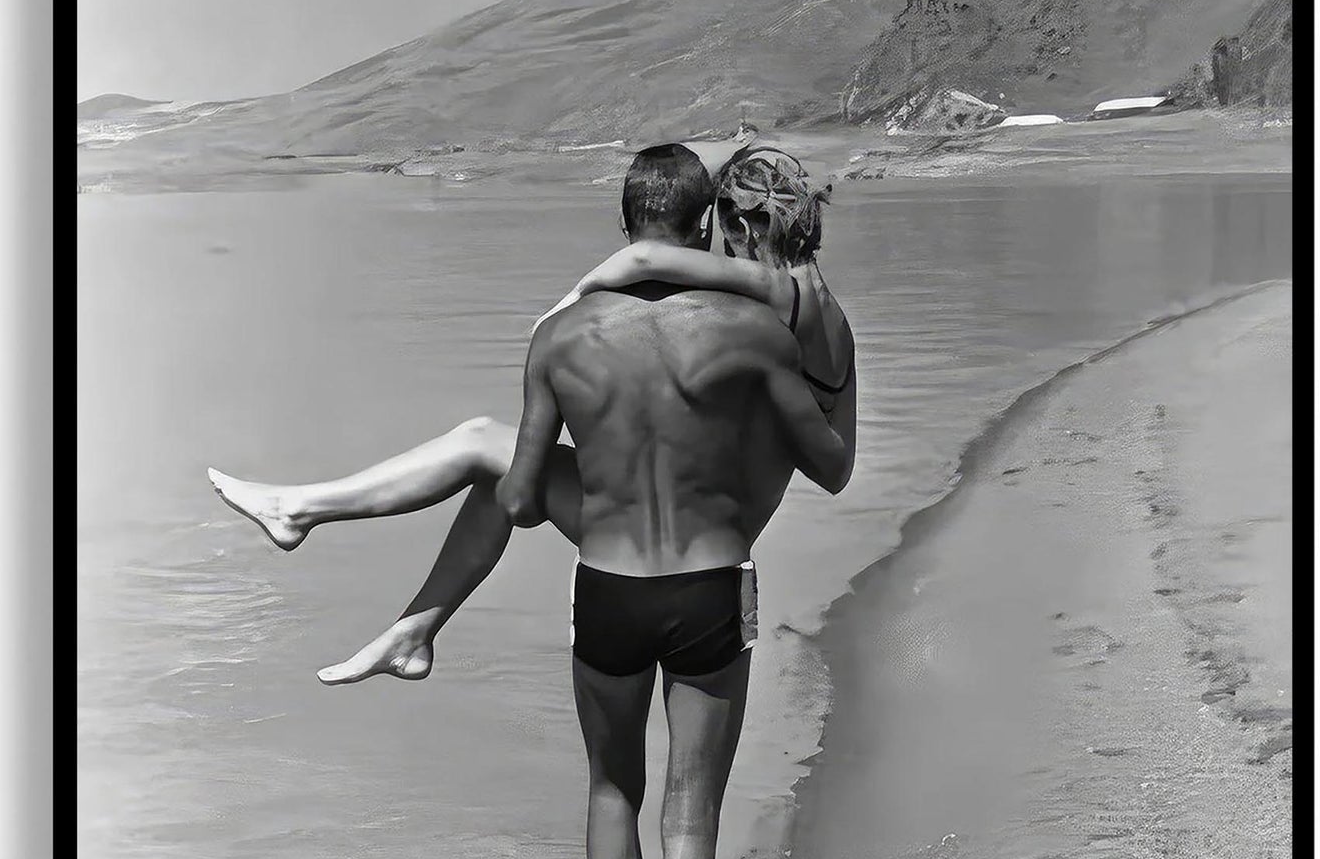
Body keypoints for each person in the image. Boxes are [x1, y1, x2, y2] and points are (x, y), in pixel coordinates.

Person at [206, 143, 855, 687]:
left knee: (481, 442)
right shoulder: (819, 314)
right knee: (497, 466)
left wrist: (571, 303)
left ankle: (302, 511)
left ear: (742, 227)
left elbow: (644, 258)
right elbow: (835, 466)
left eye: (723, 229)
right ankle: (414, 632)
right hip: (721, 527)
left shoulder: (781, 292)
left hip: (700, 532)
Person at [494, 168, 851, 859]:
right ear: (705, 228)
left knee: (612, 791)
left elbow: (524, 502)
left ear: (623, 220)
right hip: (707, 590)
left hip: (607, 592)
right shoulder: (752, 333)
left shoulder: (557, 337)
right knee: (690, 819)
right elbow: (829, 464)